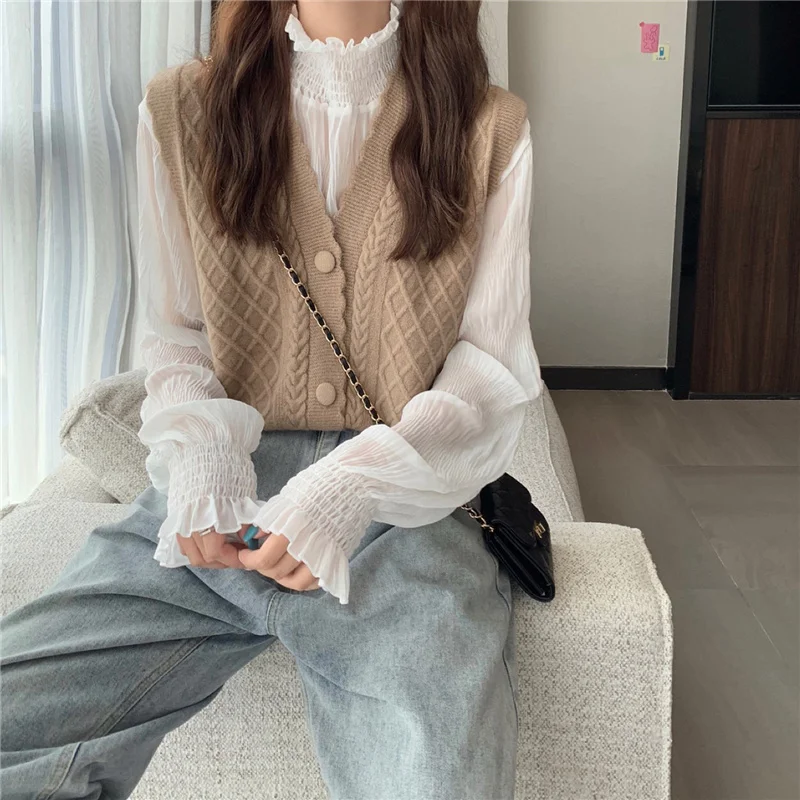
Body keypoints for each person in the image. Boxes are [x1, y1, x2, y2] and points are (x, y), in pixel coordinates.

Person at [0, 1, 542, 797]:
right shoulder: (180, 110)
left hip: (404, 506)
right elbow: (176, 334)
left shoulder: (488, 125)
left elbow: (490, 367)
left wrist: (349, 487)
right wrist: (204, 464)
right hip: (215, 507)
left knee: (436, 779)